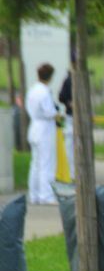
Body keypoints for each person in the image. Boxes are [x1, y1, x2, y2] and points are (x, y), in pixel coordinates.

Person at [26, 63, 61, 205]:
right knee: (47, 163)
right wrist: (59, 115)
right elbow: (49, 111)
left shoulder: (32, 90)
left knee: (35, 163)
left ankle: (34, 194)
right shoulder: (45, 91)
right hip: (45, 129)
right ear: (50, 76)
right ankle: (46, 195)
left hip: (34, 126)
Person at [58, 55, 74, 179]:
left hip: (79, 118)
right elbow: (62, 97)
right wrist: (69, 103)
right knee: (70, 148)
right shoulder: (68, 80)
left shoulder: (82, 78)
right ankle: (72, 175)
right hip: (71, 117)